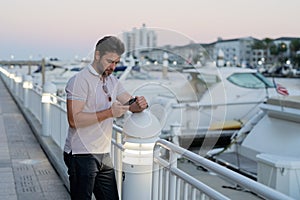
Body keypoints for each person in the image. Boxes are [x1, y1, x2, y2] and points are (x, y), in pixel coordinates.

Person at [63, 35, 148, 200]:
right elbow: (74, 120)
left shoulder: (113, 81)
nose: (113, 67)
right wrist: (109, 113)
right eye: (110, 61)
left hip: (103, 154)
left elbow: (129, 103)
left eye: (116, 63)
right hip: (81, 154)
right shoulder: (79, 81)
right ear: (97, 55)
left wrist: (140, 105)